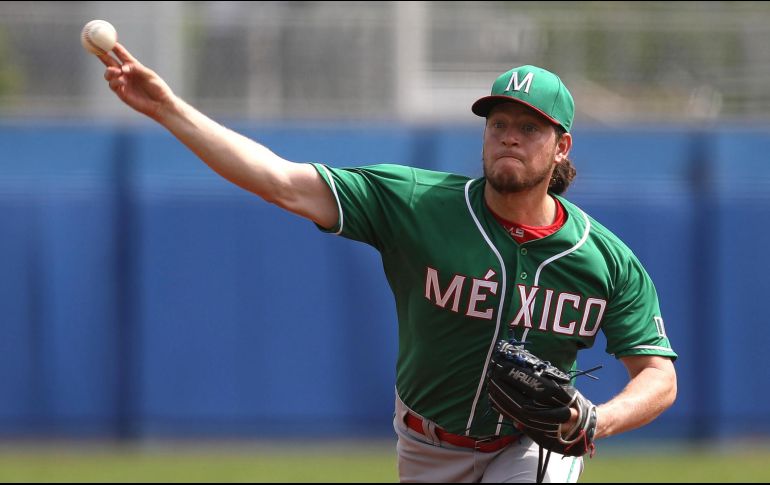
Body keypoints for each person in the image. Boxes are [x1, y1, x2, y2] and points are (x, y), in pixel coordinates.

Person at [97, 45, 677, 483]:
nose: (509, 138)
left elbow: (658, 375)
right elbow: (279, 181)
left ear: (562, 146)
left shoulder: (604, 260)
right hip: (427, 445)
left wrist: (597, 420)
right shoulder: (417, 203)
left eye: (529, 127)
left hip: (532, 445)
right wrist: (168, 108)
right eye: (498, 123)